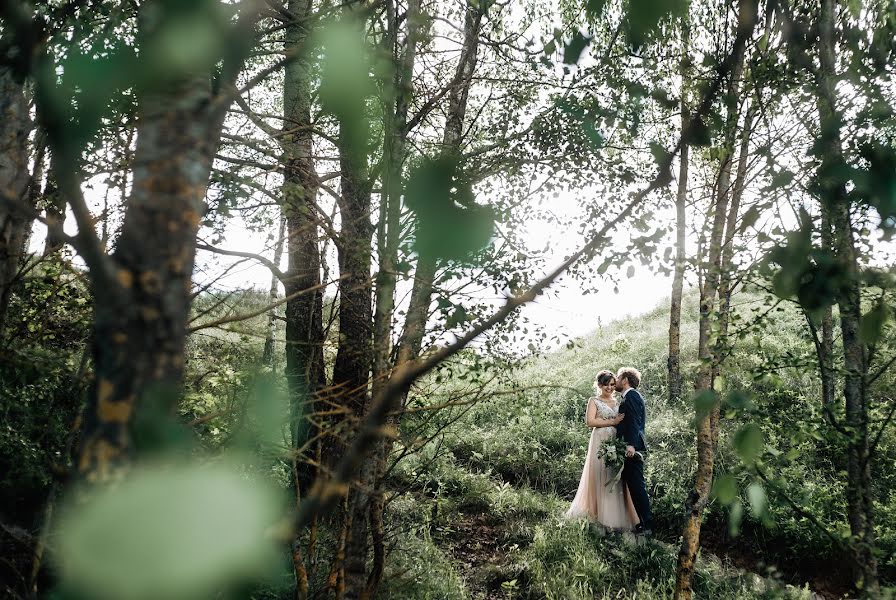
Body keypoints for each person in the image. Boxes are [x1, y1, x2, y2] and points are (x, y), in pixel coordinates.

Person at [565, 370, 639, 530]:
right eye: (607, 384)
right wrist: (613, 421)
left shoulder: (618, 400)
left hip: (615, 440)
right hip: (600, 440)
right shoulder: (594, 401)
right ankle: (599, 514)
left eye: (613, 384)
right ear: (599, 385)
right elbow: (590, 421)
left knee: (615, 474)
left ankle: (616, 516)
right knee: (600, 472)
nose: (610, 388)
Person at [615, 367, 653, 535]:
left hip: (632, 448)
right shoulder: (628, 396)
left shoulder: (632, 395)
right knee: (632, 485)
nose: (615, 380)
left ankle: (647, 525)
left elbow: (635, 422)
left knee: (637, 486)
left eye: (618, 377)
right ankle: (640, 522)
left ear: (625, 380)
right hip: (629, 447)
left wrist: (630, 444)